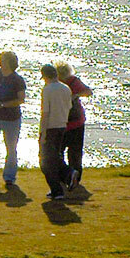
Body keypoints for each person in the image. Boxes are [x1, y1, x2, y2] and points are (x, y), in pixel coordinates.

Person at [0, 50, 27, 189]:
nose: (1, 62)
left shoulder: (17, 80)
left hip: (11, 118)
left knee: (11, 148)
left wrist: (2, 105)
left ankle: (9, 177)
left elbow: (20, 99)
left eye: (4, 60)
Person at [55, 61, 94, 189]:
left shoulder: (71, 82)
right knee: (68, 152)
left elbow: (88, 92)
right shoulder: (65, 83)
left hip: (71, 123)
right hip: (69, 123)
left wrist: (76, 95)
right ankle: (69, 176)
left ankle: (72, 177)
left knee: (70, 153)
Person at [38, 63, 72, 200]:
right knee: (55, 156)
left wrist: (42, 132)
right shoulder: (66, 88)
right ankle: (64, 178)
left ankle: (58, 187)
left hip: (51, 126)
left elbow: (45, 113)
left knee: (46, 160)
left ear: (45, 76)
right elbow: (68, 107)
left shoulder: (47, 90)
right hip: (62, 125)